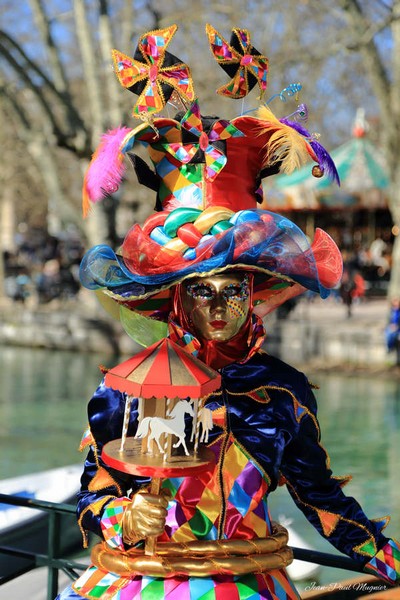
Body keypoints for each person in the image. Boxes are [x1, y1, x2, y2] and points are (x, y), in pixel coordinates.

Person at [57, 24, 400, 599]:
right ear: (175, 297)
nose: (218, 305)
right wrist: (127, 518)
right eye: (201, 290)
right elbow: (92, 501)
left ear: (253, 291)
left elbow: (323, 502)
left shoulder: (282, 394)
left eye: (231, 289)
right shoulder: (128, 390)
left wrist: (389, 560)